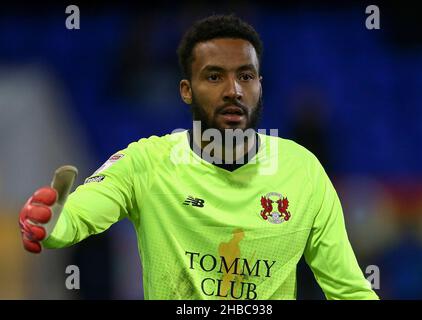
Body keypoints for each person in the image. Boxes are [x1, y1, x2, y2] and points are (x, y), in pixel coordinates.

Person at [18, 14, 378, 300]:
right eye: (215, 76)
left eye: (246, 76)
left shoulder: (303, 171)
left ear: (259, 86)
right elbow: (79, 216)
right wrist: (53, 224)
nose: (233, 90)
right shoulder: (147, 162)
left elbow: (348, 289)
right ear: (187, 91)